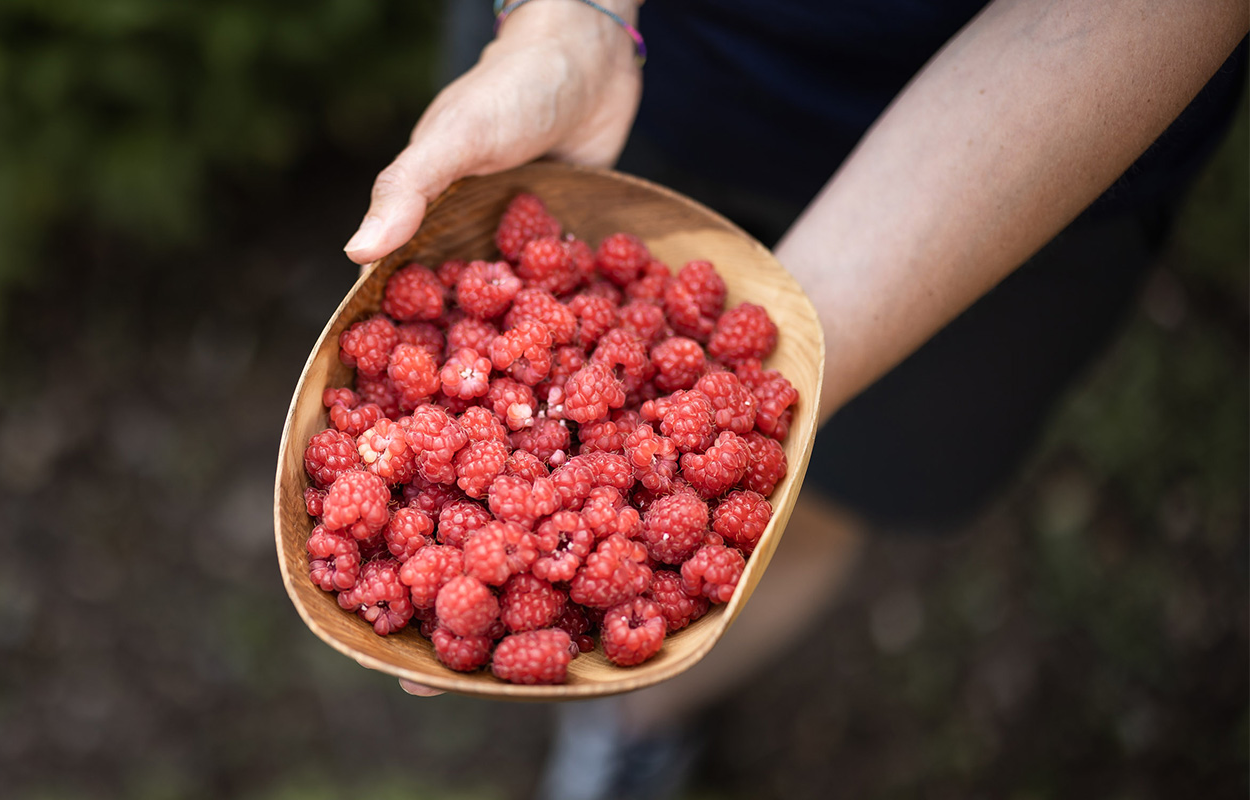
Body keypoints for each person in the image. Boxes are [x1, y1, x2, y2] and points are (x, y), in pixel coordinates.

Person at [343, 0, 1247, 796]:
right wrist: (573, 18)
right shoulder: (515, 405)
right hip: (670, 56)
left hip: (1042, 146)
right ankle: (626, 721)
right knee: (762, 492)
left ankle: (639, 730)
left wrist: (787, 371)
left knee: (820, 503)